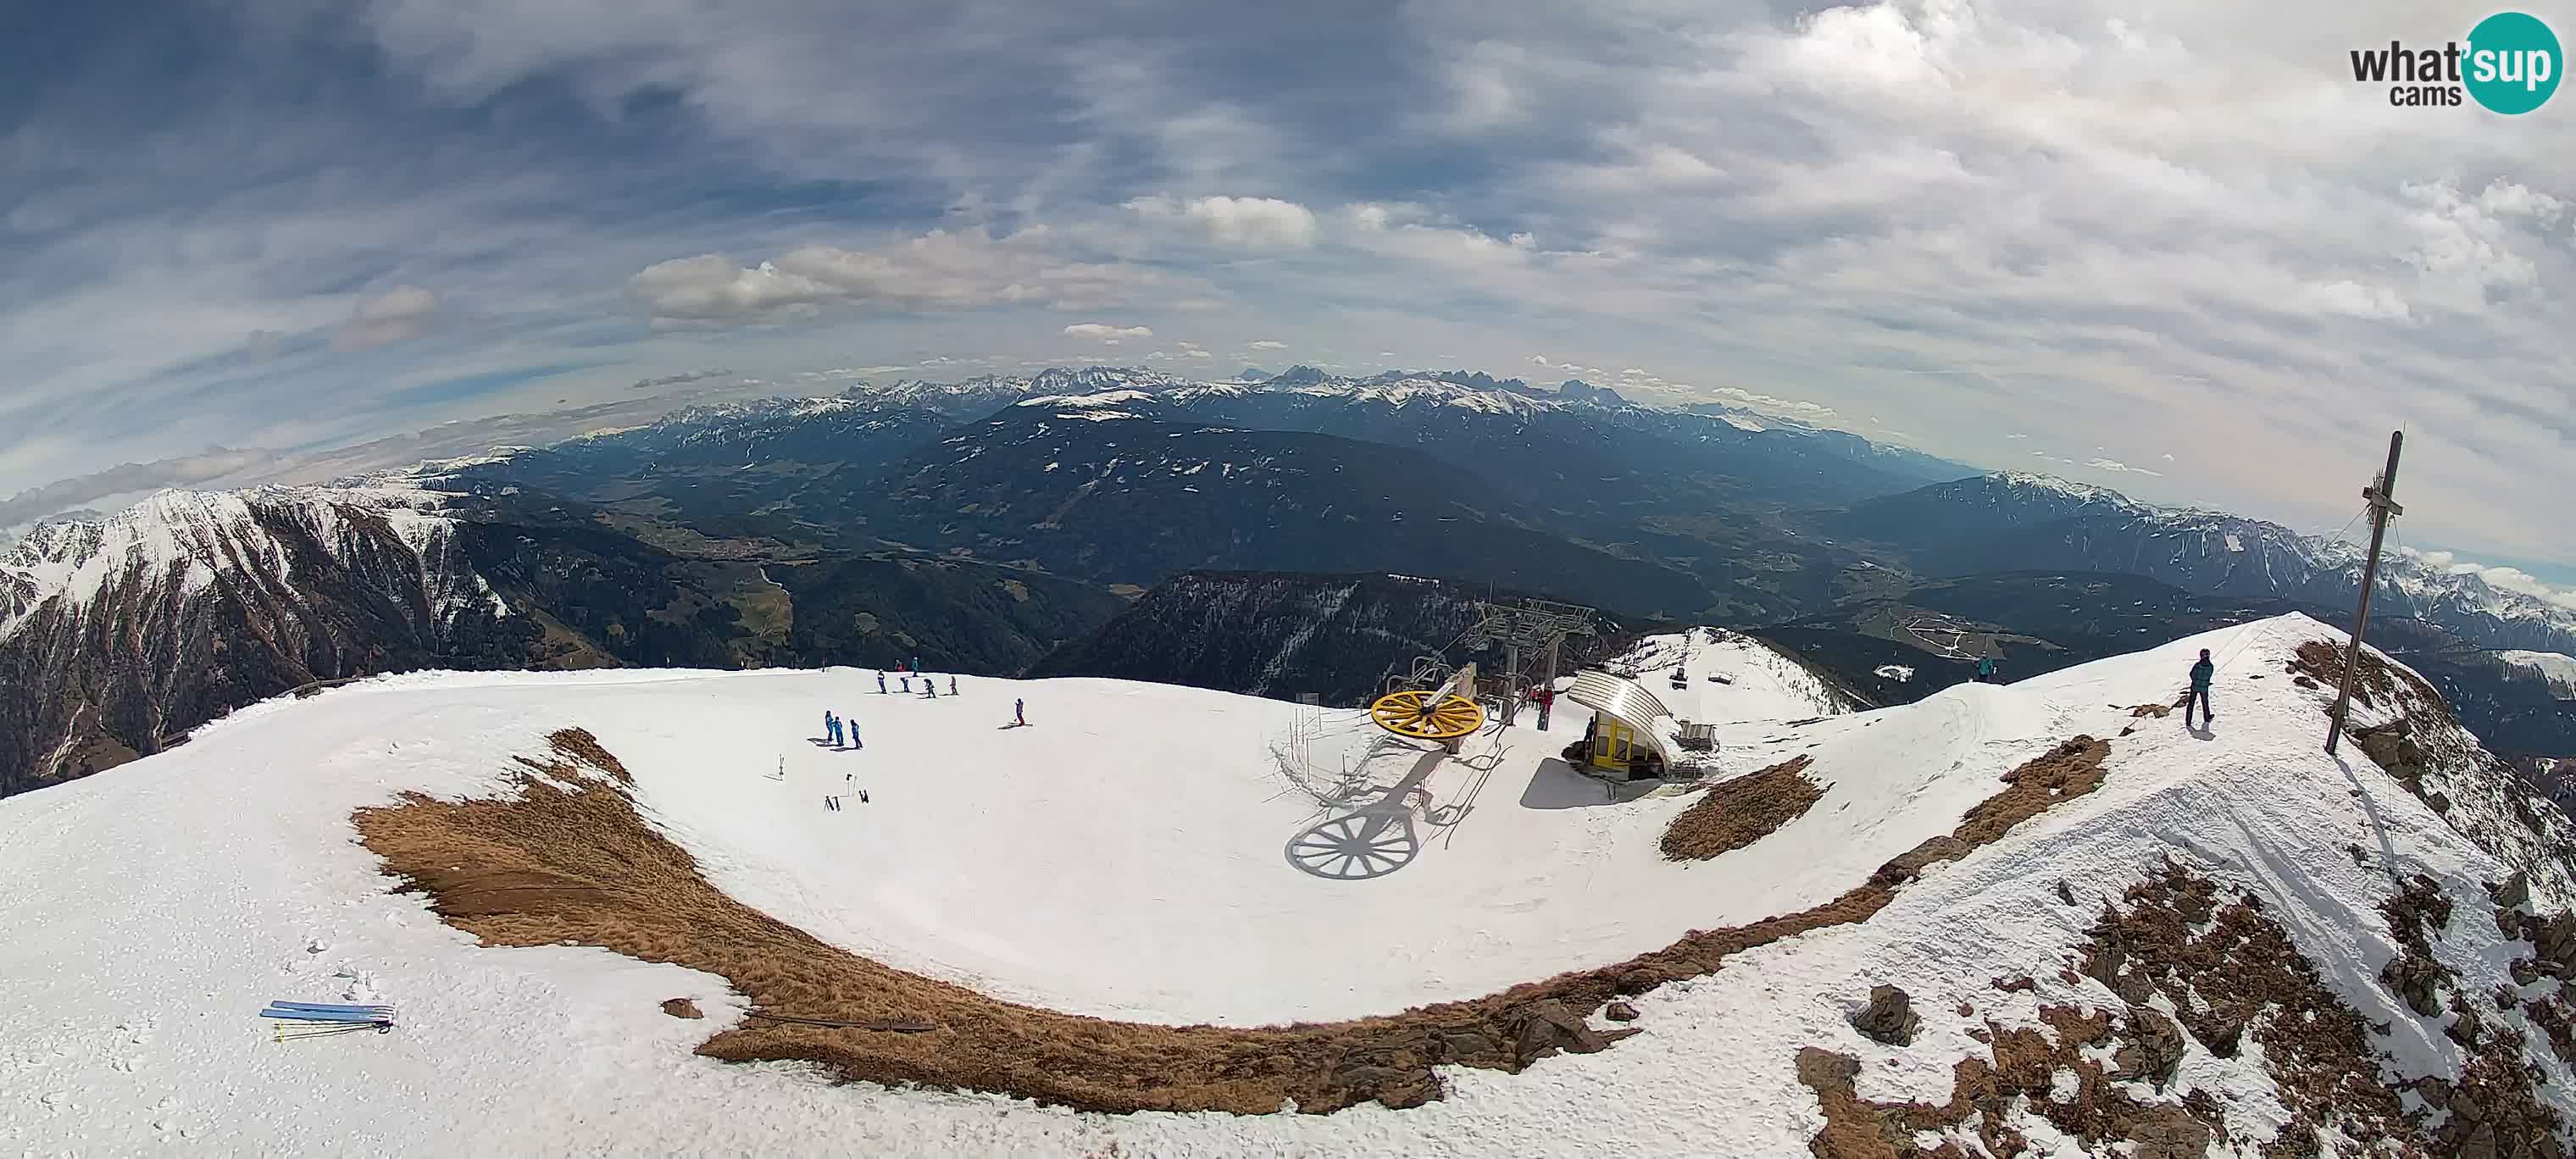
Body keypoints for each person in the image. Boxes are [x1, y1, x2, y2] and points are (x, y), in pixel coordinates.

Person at [2185, 648, 2216, 728]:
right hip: (2204, 688)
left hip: (2195, 687)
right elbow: (2209, 676)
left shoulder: (2198, 665)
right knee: (2205, 703)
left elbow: (2192, 674)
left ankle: (2188, 721)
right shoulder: (2211, 666)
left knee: (2191, 704)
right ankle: (2207, 718)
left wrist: (2195, 681)